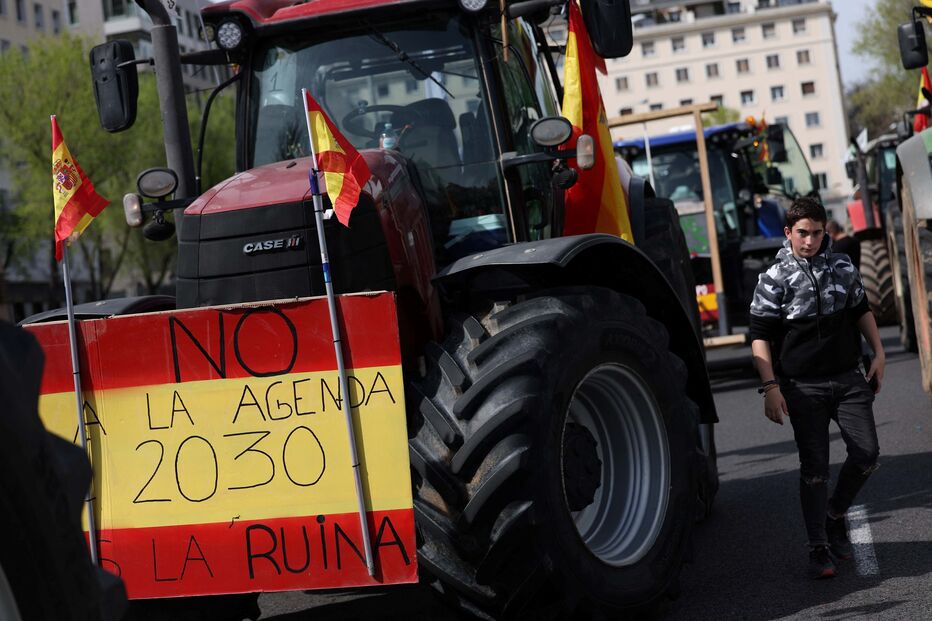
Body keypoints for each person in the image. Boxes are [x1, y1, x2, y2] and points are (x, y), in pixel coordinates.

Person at [749, 196, 884, 580]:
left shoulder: (842, 265)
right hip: (801, 387)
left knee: (868, 453)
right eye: (802, 233)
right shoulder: (773, 278)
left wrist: (879, 353)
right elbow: (760, 335)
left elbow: (861, 309)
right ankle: (818, 547)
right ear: (789, 232)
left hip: (847, 378)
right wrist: (770, 386)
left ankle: (835, 514)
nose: (809, 241)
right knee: (815, 470)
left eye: (817, 233)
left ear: (827, 232)